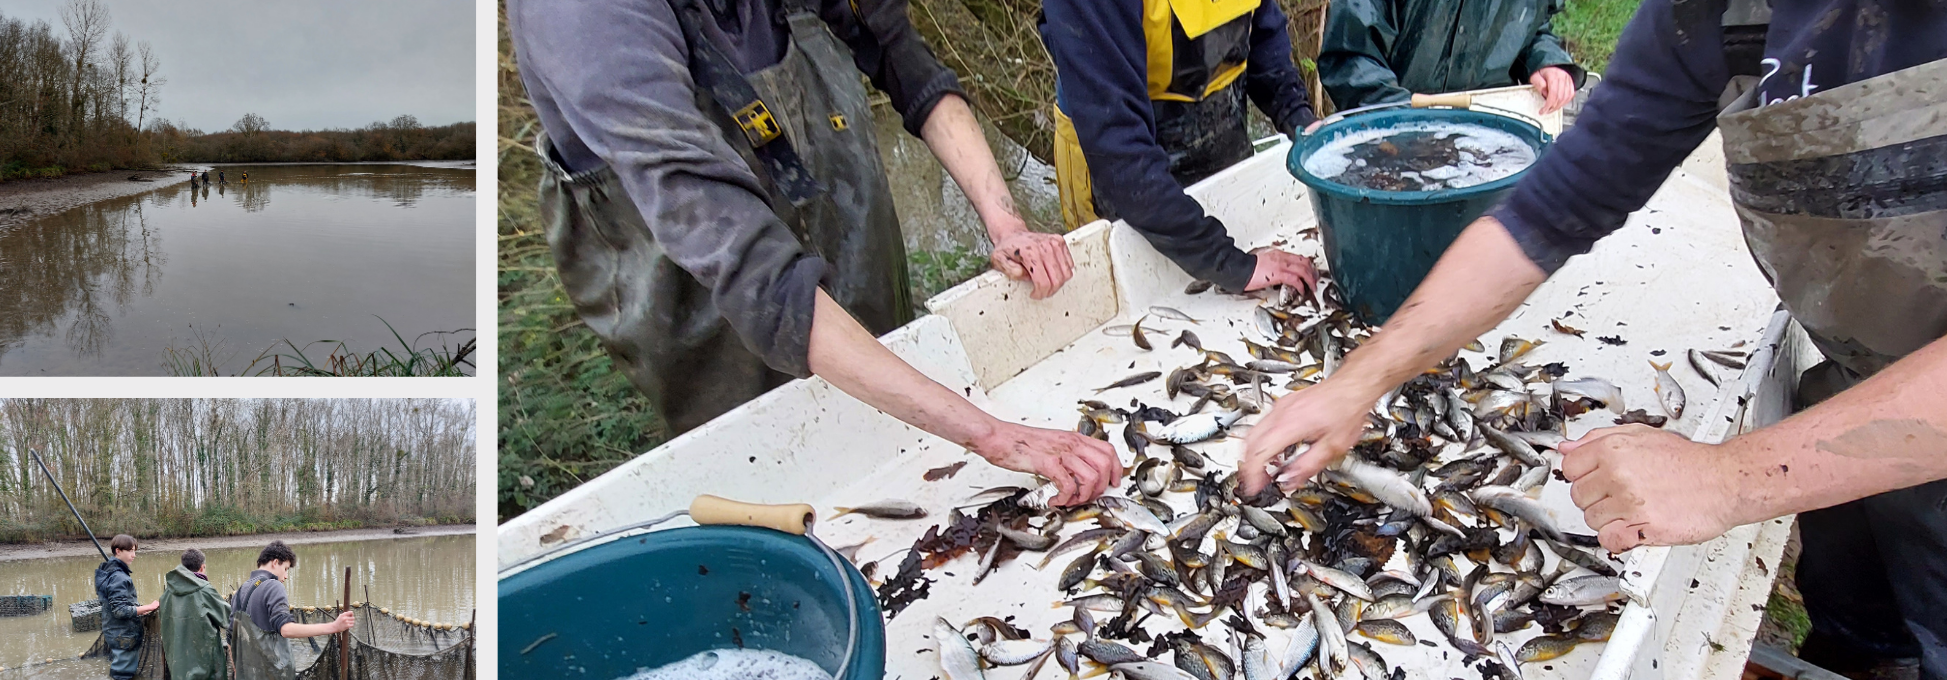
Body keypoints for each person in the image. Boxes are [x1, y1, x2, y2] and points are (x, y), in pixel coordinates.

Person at [1240, 2, 1947, 680]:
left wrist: (1727, 478)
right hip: (1857, 394)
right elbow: (1552, 204)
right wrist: (1360, 380)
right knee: (1858, 638)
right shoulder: (1721, 13)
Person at [509, 0, 1120, 504]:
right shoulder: (580, 16)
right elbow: (756, 274)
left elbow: (902, 59)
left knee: (909, 463)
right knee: (791, 492)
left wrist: (1005, 221)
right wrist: (995, 437)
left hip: (844, 248)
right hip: (703, 304)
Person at [1038, 0, 1320, 298]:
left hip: (1220, 128)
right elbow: (1119, 151)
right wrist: (1233, 265)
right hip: (1117, 163)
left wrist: (1299, 119)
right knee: (1139, 299)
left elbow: (1259, 27)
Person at [1315, 0, 1581, 116]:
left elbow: (1532, 27)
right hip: (1389, 142)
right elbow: (1349, 57)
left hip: (1488, 146)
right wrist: (1405, 116)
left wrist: (1545, 61)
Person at [230, 542, 354, 680]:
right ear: (275, 562)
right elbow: (285, 629)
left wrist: (239, 674)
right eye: (286, 569)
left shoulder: (240, 591)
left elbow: (231, 639)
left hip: (247, 678)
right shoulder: (273, 586)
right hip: (273, 675)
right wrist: (334, 627)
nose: (286, 576)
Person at [158, 548, 230, 680]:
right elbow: (227, 618)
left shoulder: (168, 591)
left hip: (179, 664)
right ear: (202, 567)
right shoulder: (205, 589)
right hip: (205, 662)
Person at [93, 534, 158, 680]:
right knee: (123, 674)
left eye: (135, 551)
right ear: (118, 551)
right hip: (122, 633)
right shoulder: (119, 577)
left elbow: (121, 602)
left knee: (122, 665)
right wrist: (150, 606)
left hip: (115, 630)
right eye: (130, 551)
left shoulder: (110, 571)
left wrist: (140, 609)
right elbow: (120, 610)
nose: (133, 555)